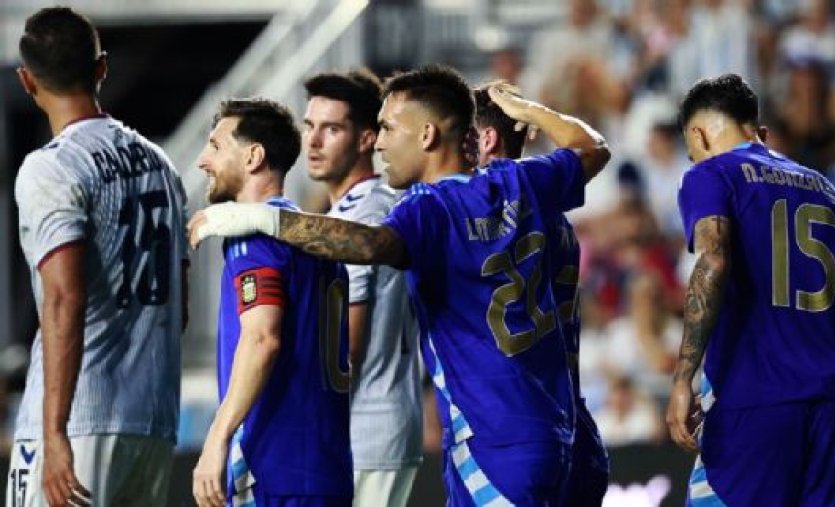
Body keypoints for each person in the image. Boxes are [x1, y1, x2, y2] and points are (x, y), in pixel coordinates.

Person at [189, 64, 611, 505]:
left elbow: (370, 244)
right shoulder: (520, 181)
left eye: (389, 128)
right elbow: (593, 147)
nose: (382, 142)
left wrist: (260, 217)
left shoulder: (428, 207)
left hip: (491, 435)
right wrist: (524, 108)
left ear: (427, 135)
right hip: (562, 428)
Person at [666, 73, 835, 506]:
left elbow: (714, 258)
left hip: (755, 407)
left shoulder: (710, 174)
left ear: (700, 134)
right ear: (758, 132)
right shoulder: (830, 191)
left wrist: (683, 376)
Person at [8, 7, 187, 507]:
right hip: (151, 421)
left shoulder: (52, 167)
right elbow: (181, 303)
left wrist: (55, 433)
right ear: (101, 69)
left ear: (27, 80)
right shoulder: (161, 165)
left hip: (82, 418)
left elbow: (64, 296)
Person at [190, 98, 352, 507]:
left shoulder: (255, 238)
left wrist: (217, 437)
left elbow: (262, 339)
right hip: (324, 465)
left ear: (254, 156)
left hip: (274, 469)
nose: (203, 160)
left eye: (215, 145)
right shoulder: (313, 236)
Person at [472, 82, 609, 506]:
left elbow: (592, 147)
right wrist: (529, 110)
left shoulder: (472, 201)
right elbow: (589, 146)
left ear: (486, 138)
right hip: (573, 421)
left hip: (507, 429)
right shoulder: (549, 202)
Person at [302, 70, 422, 507]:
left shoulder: (364, 216)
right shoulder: (360, 208)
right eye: (309, 126)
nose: (313, 141)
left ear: (367, 138)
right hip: (371, 428)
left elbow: (345, 347)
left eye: (331, 128)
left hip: (368, 430)